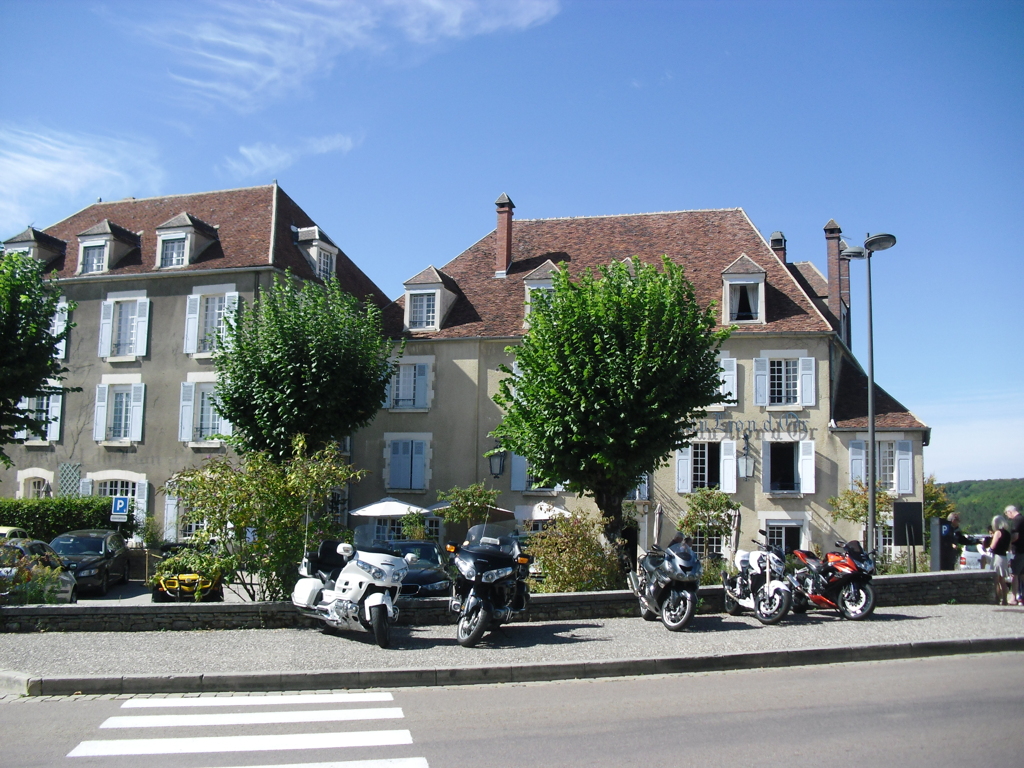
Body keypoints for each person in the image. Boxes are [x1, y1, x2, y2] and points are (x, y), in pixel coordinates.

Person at [986, 515, 1011, 605]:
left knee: (996, 580)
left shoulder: (998, 532)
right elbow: (1009, 547)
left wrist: (987, 548)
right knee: (1002, 580)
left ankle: (996, 599)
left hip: (997, 557)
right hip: (1004, 557)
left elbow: (993, 546)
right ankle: (1005, 600)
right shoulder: (1007, 533)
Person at [1004, 505, 1023, 605]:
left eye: (1007, 514)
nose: (1007, 517)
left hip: (1018, 551)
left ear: (1010, 512)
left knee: (1014, 574)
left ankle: (1013, 598)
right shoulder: (1023, 519)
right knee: (1022, 575)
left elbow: (1015, 536)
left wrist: (1009, 543)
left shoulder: (1016, 521)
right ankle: (1022, 596)